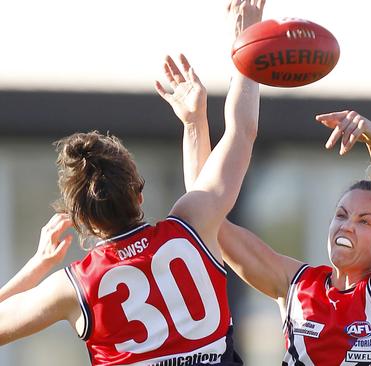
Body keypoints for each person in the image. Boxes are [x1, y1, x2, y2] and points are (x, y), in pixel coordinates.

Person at [0, 1, 262, 364]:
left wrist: (37, 266)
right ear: (139, 194)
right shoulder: (191, 227)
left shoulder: (72, 287)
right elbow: (242, 132)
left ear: (84, 222)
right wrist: (247, 42)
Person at [177, 97, 371, 362]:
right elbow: (207, 215)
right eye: (341, 215)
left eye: (365, 221)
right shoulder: (299, 285)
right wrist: (194, 121)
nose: (347, 226)